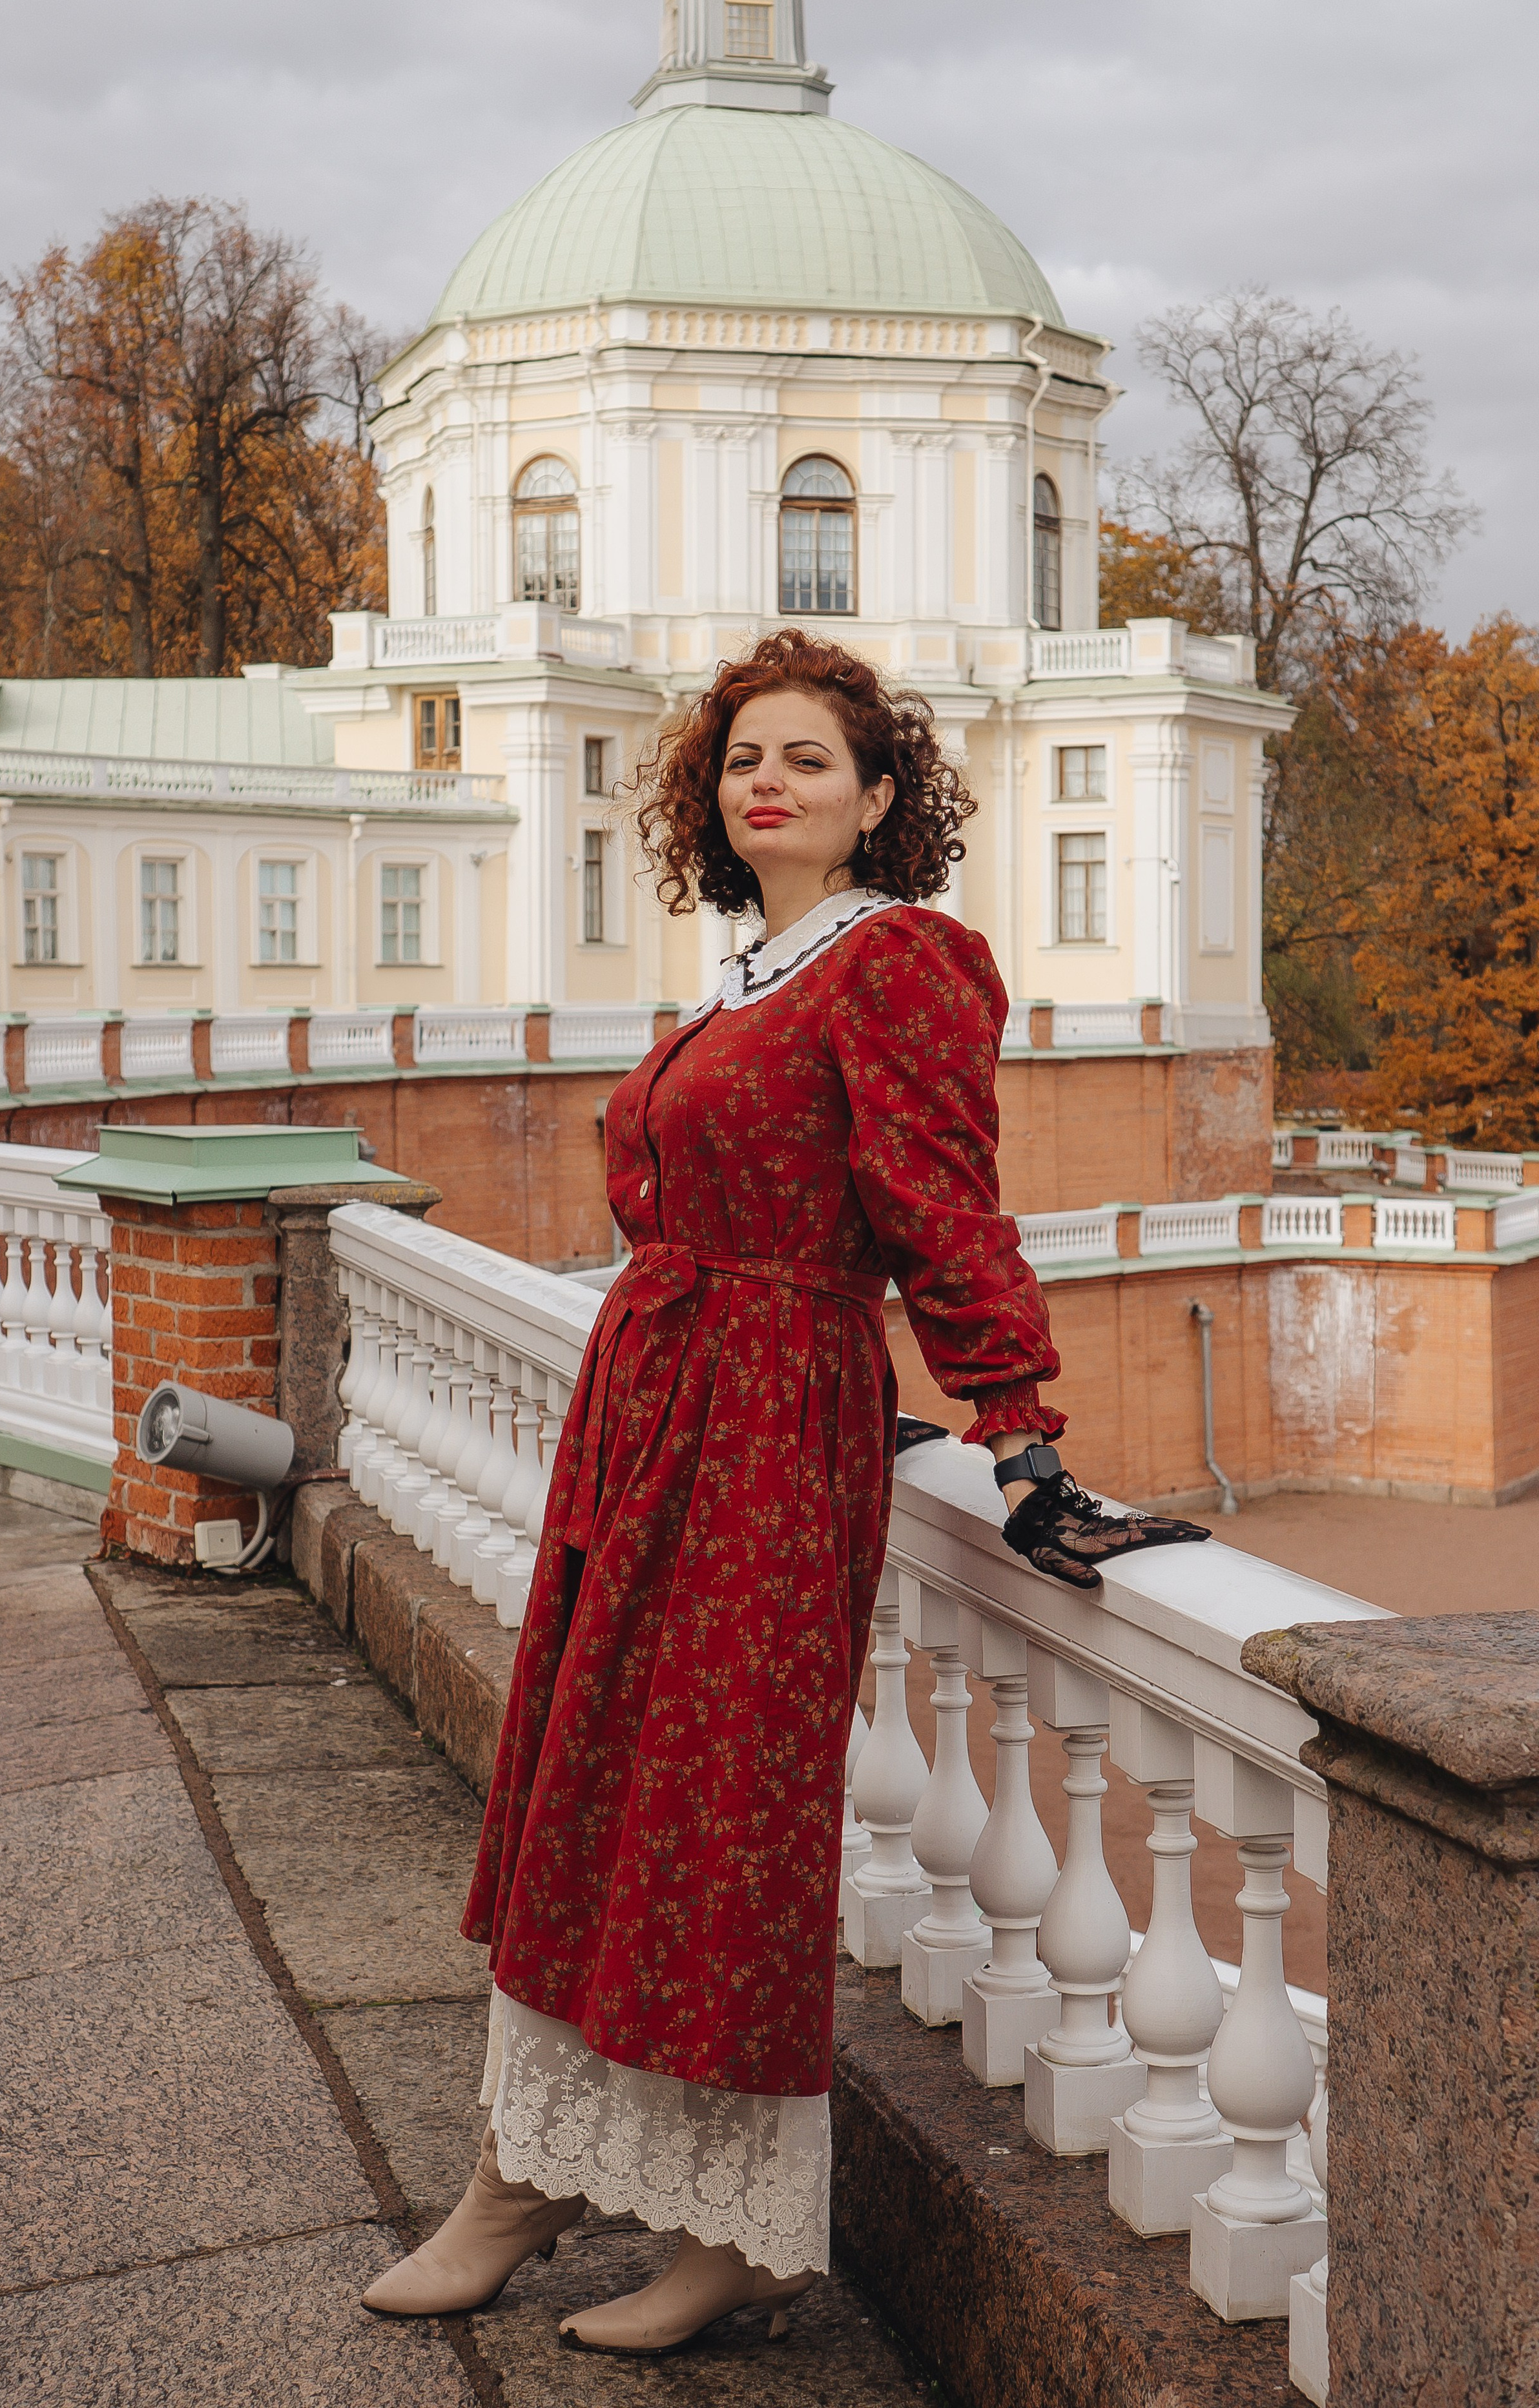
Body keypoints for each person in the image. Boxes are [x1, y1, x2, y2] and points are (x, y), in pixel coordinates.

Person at [361, 630, 1206, 2352]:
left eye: (812, 758)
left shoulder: (897, 960)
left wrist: (1016, 1429)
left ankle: (732, 2226)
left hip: (759, 1430)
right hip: (657, 1408)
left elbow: (941, 1204)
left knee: (720, 1815)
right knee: (589, 1789)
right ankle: (524, 2171)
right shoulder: (752, 969)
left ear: (882, 797)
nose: (772, 780)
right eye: (747, 755)